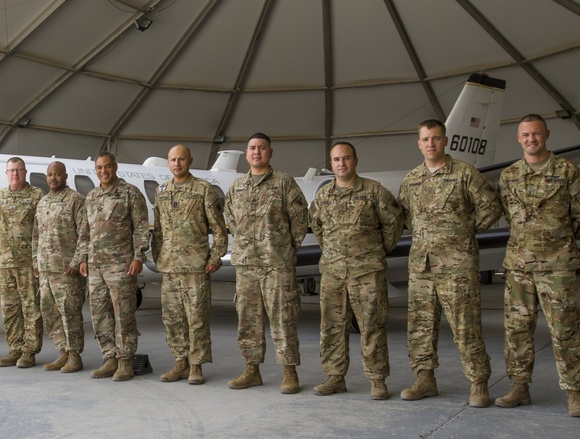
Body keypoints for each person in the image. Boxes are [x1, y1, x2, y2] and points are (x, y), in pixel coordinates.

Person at [397, 119, 501, 407]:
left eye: (436, 138)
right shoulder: (412, 179)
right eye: (425, 139)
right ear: (419, 144)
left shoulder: (464, 174)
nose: (431, 143)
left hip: (457, 265)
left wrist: (465, 232)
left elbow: (492, 206)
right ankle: (424, 379)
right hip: (422, 266)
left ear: (445, 141)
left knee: (465, 326)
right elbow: (405, 216)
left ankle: (479, 383)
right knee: (420, 326)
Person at [495, 114, 580, 417]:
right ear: (518, 138)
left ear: (546, 135)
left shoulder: (567, 171)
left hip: (557, 266)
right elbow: (511, 217)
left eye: (536, 134)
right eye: (525, 135)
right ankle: (520, 387)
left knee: (565, 330)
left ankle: (575, 393)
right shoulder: (509, 175)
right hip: (519, 266)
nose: (531, 139)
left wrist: (556, 242)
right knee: (517, 330)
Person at [309, 142, 403, 400]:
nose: (342, 164)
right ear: (331, 164)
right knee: (331, 326)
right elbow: (318, 229)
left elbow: (393, 226)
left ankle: (377, 380)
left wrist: (372, 252)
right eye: (337, 159)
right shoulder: (323, 196)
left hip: (367, 272)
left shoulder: (374, 192)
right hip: (333, 273)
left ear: (356, 161)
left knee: (371, 325)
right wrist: (334, 255)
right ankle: (335, 377)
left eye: (346, 158)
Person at [224, 133, 308, 392]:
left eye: (261, 148)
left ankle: (289, 372)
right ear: (246, 154)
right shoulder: (236, 187)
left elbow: (300, 221)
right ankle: (251, 370)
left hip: (277, 265)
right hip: (247, 265)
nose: (256, 152)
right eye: (252, 148)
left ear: (270, 152)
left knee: (283, 318)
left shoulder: (285, 183)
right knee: (248, 320)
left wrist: (283, 249)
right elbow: (231, 221)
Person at [151, 145, 228, 385]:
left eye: (181, 159)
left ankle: (196, 366)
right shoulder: (161, 191)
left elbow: (219, 228)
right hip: (170, 268)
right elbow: (159, 230)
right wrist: (158, 257)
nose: (177, 163)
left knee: (196, 318)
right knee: (172, 319)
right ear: (168, 162)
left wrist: (215, 257)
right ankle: (180, 363)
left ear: (190, 161)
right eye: (173, 159)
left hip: (196, 267)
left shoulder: (204, 190)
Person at [83, 152, 150, 381]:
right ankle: (109, 358)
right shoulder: (91, 197)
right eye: (99, 167)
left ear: (115, 167)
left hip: (121, 265)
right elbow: (86, 233)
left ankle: (125, 361)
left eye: (107, 166)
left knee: (124, 316)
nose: (104, 171)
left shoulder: (130, 193)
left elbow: (141, 227)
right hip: (95, 267)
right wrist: (83, 259)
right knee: (99, 315)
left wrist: (138, 256)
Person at [33, 161, 90, 373]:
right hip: (46, 270)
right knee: (49, 312)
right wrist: (35, 261)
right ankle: (63, 351)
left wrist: (76, 262)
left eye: (57, 174)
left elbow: (85, 234)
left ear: (65, 176)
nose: (52, 178)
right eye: (49, 174)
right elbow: (36, 235)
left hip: (67, 271)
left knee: (70, 313)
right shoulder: (43, 202)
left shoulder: (76, 200)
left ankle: (75, 355)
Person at [0, 157, 45, 368]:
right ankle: (15, 348)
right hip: (6, 264)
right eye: (11, 170)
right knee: (10, 308)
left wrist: (38, 260)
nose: (15, 174)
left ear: (25, 172)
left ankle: (29, 351)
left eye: (19, 170)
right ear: (6, 173)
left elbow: (42, 229)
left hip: (28, 264)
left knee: (31, 308)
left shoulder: (37, 195)